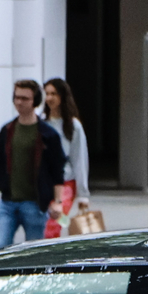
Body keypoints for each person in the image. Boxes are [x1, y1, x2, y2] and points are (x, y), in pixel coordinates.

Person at [0, 78, 68, 249]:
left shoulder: (48, 135)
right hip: (7, 203)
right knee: (0, 246)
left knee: (34, 251)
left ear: (35, 102)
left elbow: (57, 171)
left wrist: (58, 201)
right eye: (17, 97)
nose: (19, 102)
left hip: (34, 203)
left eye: (25, 98)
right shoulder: (7, 130)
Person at [42, 77, 91, 230]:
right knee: (41, 226)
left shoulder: (73, 126)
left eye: (53, 94)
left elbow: (79, 159)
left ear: (62, 97)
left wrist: (83, 194)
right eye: (47, 93)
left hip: (66, 182)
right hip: (42, 182)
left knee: (53, 226)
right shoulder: (41, 122)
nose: (49, 98)